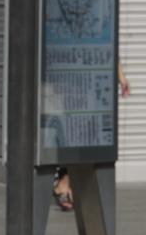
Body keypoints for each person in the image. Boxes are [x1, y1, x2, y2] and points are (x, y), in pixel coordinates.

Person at [53, 63, 130, 212]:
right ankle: (64, 183)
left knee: (86, 136)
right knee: (75, 134)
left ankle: (65, 183)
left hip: (91, 86)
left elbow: (111, 52)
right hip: (73, 86)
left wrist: (121, 77)